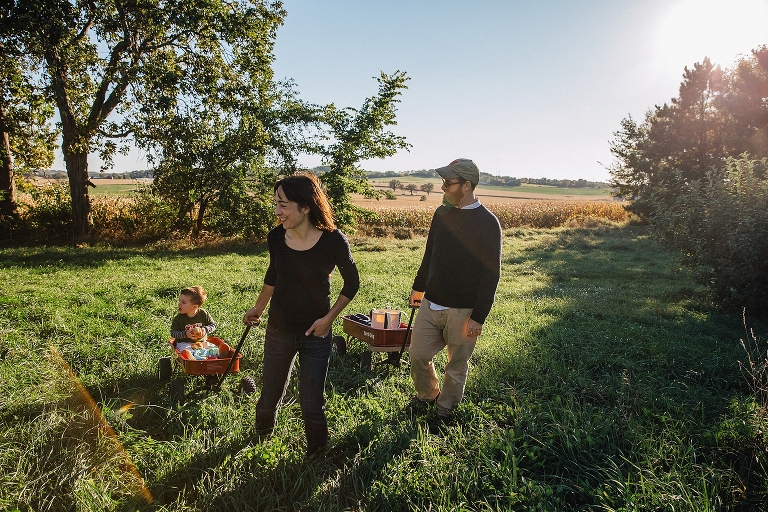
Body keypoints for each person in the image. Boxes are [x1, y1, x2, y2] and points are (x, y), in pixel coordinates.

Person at [243, 171, 360, 456]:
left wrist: (328, 319)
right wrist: (258, 308)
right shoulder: (275, 238)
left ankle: (317, 456)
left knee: (311, 402)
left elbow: (352, 283)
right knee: (269, 397)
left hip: (316, 333)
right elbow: (274, 273)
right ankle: (259, 444)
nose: (277, 211)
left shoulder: (333, 240)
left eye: (283, 204)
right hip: (279, 329)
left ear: (305, 206)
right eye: (275, 203)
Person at [408, 158, 502, 420]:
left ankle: (445, 408)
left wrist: (479, 316)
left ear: (467, 185)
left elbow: (491, 274)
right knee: (417, 355)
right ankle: (427, 396)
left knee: (456, 364)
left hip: (463, 310)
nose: (443, 188)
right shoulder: (441, 214)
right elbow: (430, 253)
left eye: (448, 183)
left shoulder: (488, 223)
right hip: (431, 302)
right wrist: (418, 287)